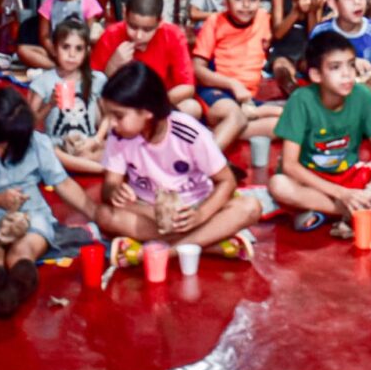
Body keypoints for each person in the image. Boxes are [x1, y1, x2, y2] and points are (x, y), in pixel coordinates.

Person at [0, 88, 98, 320]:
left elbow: (63, 184)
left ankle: (15, 288)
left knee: (24, 249)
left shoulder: (36, 142)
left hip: (31, 215)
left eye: (9, 144)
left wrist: (95, 213)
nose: (3, 150)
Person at [96, 62, 261, 266]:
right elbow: (109, 188)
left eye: (118, 116)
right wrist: (114, 191)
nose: (111, 123)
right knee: (103, 215)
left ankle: (160, 252)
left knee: (250, 207)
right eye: (108, 114)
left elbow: (226, 182)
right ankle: (208, 243)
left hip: (194, 207)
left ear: (147, 111)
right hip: (150, 211)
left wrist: (199, 215)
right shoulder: (119, 136)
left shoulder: (188, 132)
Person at [268, 32, 371, 237]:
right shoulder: (301, 100)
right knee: (278, 185)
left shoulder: (362, 95)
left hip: (351, 175)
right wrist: (342, 194)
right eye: (336, 68)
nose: (347, 74)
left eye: (351, 65)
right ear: (316, 75)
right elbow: (290, 165)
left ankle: (332, 211)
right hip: (313, 179)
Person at [193, 0, 282, 150]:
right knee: (234, 115)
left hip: (247, 100)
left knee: (285, 122)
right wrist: (233, 84)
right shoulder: (214, 21)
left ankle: (220, 132)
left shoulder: (263, 18)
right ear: (225, 0)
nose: (246, 5)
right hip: (216, 94)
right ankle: (205, 164)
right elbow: (198, 69)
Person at [90, 0, 201, 119]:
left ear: (160, 22)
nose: (139, 36)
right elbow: (92, 87)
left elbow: (187, 87)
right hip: (121, 108)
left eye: (147, 30)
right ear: (125, 14)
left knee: (192, 107)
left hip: (157, 107)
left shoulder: (172, 35)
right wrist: (111, 68)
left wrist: (152, 105)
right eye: (133, 26)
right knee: (94, 110)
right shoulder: (111, 35)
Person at [26, 20, 109, 174]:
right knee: (45, 149)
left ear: (86, 52)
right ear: (54, 49)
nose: (72, 55)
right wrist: (50, 105)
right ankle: (102, 169)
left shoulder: (96, 79)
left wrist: (96, 139)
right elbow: (28, 124)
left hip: (88, 143)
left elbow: (109, 116)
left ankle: (86, 164)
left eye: (78, 49)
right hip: (58, 144)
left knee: (118, 144)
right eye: (66, 47)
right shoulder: (43, 81)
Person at [16, 0, 105, 70]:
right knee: (22, 50)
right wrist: (55, 53)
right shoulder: (49, 3)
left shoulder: (88, 1)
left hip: (79, 50)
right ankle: (56, 68)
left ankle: (74, 67)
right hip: (56, 52)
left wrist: (78, 52)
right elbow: (44, 36)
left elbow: (91, 34)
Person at [270, 0, 321, 96]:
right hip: (283, 50)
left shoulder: (315, 0)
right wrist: (295, 11)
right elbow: (278, 33)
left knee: (316, 66)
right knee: (281, 67)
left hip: (304, 51)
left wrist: (312, 11)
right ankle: (294, 92)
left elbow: (313, 36)